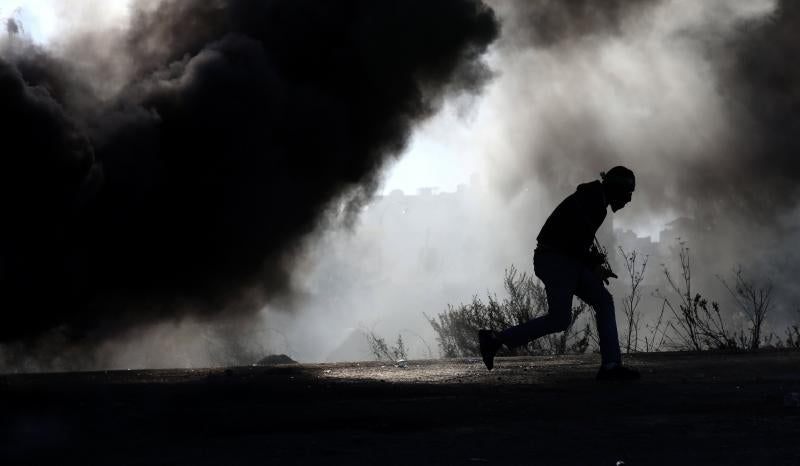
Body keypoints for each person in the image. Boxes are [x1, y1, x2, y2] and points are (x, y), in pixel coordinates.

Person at [478, 166, 640, 381]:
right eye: (627, 193)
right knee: (561, 318)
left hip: (561, 260)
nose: (628, 199)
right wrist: (594, 266)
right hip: (556, 260)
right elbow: (574, 243)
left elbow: (576, 241)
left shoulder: (593, 200)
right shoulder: (593, 203)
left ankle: (611, 365)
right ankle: (495, 339)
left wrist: (593, 264)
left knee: (601, 301)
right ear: (616, 189)